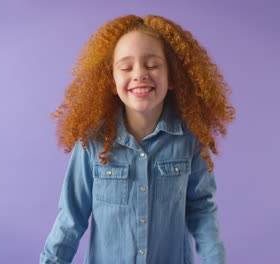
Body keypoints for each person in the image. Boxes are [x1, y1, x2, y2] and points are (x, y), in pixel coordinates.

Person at [40, 14, 235, 264]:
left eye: (152, 65)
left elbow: (202, 211)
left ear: (173, 77)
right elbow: (71, 218)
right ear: (111, 81)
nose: (140, 74)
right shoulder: (92, 141)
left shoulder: (190, 139)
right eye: (126, 67)